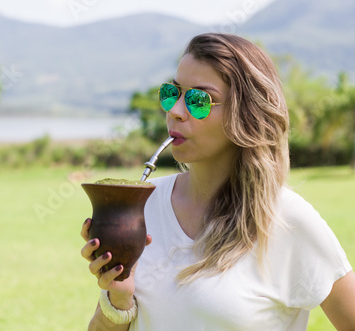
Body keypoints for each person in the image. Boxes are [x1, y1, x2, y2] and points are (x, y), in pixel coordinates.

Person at [80, 33, 355, 330]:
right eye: (172, 93)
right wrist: (118, 298)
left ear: (246, 113)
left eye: (199, 100)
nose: (175, 111)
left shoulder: (287, 219)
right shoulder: (143, 203)